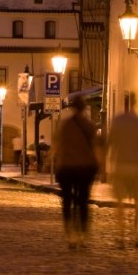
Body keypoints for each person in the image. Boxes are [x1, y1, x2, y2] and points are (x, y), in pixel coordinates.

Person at [52, 96, 100, 249]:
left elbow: (56, 145)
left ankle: (70, 236)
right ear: (84, 108)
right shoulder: (90, 126)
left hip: (67, 167)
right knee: (83, 202)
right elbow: (96, 148)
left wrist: (51, 161)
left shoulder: (64, 125)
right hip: (85, 168)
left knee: (67, 201)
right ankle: (83, 236)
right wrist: (100, 165)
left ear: (72, 108)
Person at [107, 109, 138, 248]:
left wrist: (108, 166)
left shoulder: (117, 122)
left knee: (120, 203)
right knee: (137, 203)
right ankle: (136, 235)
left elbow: (110, 144)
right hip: (137, 168)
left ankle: (121, 236)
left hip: (121, 167)